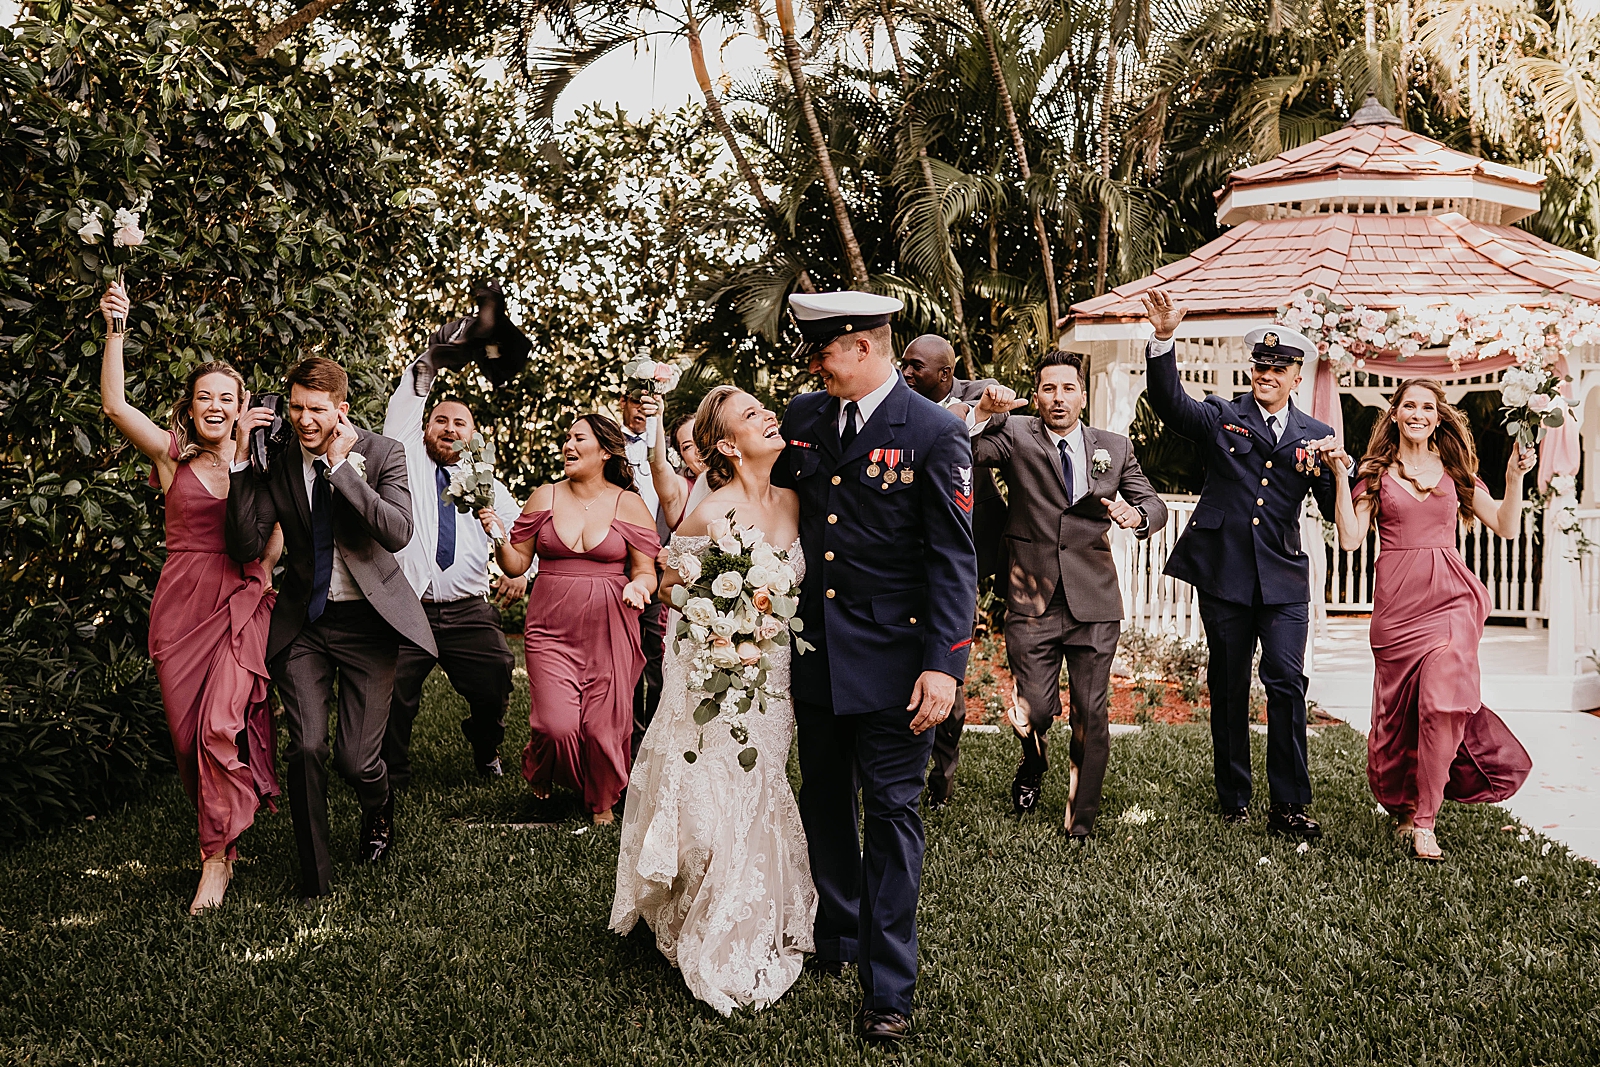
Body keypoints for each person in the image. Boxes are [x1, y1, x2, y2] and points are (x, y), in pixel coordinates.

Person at [772, 291, 978, 1043]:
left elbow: (955, 560)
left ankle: (888, 987)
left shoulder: (933, 431)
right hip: (818, 656)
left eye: (825, 351)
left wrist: (945, 667)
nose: (816, 367)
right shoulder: (803, 420)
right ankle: (841, 935)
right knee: (824, 798)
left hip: (898, 665)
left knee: (891, 815)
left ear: (864, 346)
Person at [611, 385, 818, 1015]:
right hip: (715, 674)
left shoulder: (798, 501)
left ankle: (756, 907)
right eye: (753, 415)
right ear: (727, 444)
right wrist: (717, 626)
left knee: (762, 787)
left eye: (765, 409)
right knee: (715, 793)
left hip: (775, 672)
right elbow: (671, 584)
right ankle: (707, 910)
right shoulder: (709, 512)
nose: (769, 417)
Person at [97, 281, 282, 914]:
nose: (213, 405)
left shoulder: (259, 468)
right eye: (203, 396)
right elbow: (117, 406)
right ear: (191, 406)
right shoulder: (172, 457)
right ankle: (223, 834)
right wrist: (116, 328)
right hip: (180, 603)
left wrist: (257, 572)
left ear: (241, 407)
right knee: (186, 740)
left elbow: (274, 542)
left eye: (225, 398)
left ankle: (215, 861)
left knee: (217, 727)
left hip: (238, 601)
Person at [227, 356, 434, 902]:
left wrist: (343, 470)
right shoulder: (277, 457)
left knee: (356, 760)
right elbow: (247, 546)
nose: (302, 419)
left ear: (341, 409)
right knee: (306, 747)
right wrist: (242, 463)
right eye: (294, 407)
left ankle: (378, 805)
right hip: (306, 624)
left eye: (316, 409)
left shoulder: (383, 454)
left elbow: (396, 532)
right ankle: (314, 877)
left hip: (369, 624)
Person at [1140, 290, 1335, 840]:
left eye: (1279, 367)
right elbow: (1171, 403)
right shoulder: (1224, 416)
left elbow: (1328, 502)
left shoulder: (1316, 436)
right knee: (1227, 684)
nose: (1267, 373)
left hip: (1283, 578)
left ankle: (1291, 806)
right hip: (1224, 572)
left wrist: (1339, 475)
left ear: (1299, 376)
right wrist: (1163, 339)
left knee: (1286, 684)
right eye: (1261, 365)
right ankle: (1234, 795)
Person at [1326, 380, 1533, 861]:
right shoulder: (1375, 475)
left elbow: (1506, 525)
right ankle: (1404, 805)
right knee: (1399, 720)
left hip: (1451, 600)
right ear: (1394, 414)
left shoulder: (1456, 473)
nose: (1418, 413)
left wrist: (1513, 475)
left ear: (1438, 417)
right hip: (1397, 610)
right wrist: (1341, 477)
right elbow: (1353, 538)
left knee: (1441, 702)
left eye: (1427, 407)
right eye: (1409, 406)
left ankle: (1425, 822)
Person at [968, 352, 1167, 837]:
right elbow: (963, 447)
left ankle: (1080, 821)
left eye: (1067, 388)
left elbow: (1153, 503)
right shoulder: (1014, 435)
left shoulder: (1114, 448)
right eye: (1049, 389)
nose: (1058, 398)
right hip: (1031, 596)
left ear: (1082, 394)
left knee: (1091, 710)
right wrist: (981, 412)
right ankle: (1034, 764)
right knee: (1033, 709)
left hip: (1093, 600)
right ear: (1036, 395)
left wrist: (1136, 517)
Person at [482, 414, 659, 824]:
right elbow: (516, 565)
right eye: (566, 438)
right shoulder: (545, 496)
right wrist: (497, 536)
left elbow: (647, 570)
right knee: (553, 726)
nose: (568, 445)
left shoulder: (627, 503)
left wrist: (639, 587)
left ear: (606, 450)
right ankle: (543, 761)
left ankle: (601, 801)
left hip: (610, 626)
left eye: (579, 438)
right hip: (550, 628)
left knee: (601, 728)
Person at [380, 360, 525, 784]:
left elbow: (522, 534)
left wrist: (520, 572)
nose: (449, 428)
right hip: (409, 608)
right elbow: (402, 412)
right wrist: (426, 369)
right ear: (425, 428)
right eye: (440, 420)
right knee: (394, 691)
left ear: (473, 435)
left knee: (496, 675)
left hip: (469, 610)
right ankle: (393, 771)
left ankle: (486, 747)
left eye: (459, 423)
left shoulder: (489, 484)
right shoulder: (404, 464)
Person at [900, 333, 1008, 809]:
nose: (906, 373)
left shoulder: (976, 396)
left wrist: (982, 410)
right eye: (904, 363)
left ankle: (940, 783)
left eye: (917, 367)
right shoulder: (892, 402)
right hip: (903, 561)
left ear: (946, 375)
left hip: (959, 562)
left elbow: (995, 411)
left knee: (951, 672)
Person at [620, 387, 671, 761]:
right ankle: (623, 741)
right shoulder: (605, 445)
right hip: (616, 567)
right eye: (636, 401)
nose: (642, 409)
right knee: (622, 660)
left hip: (658, 565)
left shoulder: (665, 454)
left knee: (657, 657)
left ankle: (650, 747)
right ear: (622, 403)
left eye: (649, 403)